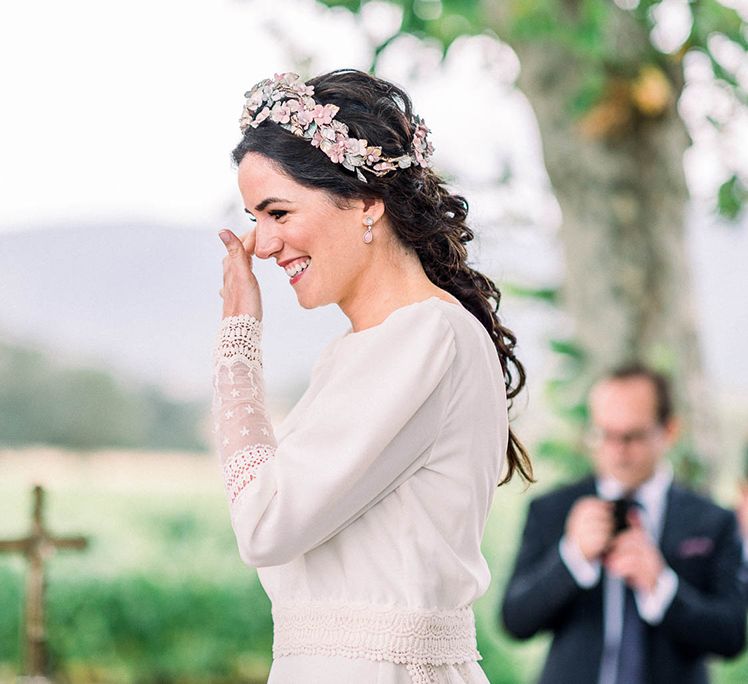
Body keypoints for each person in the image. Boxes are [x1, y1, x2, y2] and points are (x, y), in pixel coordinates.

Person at [212, 69, 533, 684]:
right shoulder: (365, 349)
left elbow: (264, 524)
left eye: (278, 212)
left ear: (365, 203)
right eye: (255, 217)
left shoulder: (423, 338)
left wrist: (237, 342)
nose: (262, 243)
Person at [501, 363, 747, 683]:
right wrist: (571, 558)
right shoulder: (552, 509)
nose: (617, 451)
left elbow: (731, 636)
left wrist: (662, 586)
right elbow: (515, 620)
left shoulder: (713, 521)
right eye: (605, 435)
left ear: (669, 430)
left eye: (632, 436)